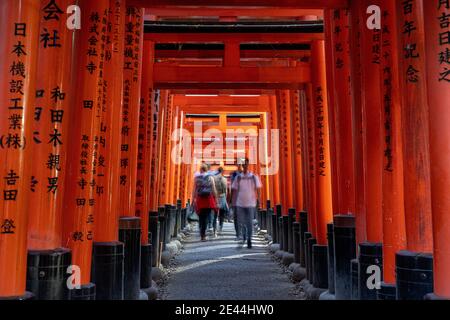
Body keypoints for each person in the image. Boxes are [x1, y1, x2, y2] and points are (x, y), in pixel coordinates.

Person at [231, 158, 262, 249]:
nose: (244, 166)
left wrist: (259, 200)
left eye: (246, 164)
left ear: (248, 165)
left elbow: (258, 189)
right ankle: (244, 236)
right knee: (242, 221)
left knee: (249, 222)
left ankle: (249, 239)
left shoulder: (253, 177)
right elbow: (234, 190)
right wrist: (233, 202)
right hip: (240, 203)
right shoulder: (238, 177)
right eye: (243, 164)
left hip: (250, 202)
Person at [192, 163, 218, 241]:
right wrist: (216, 198)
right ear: (206, 170)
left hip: (200, 199)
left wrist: (193, 199)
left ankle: (202, 233)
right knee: (206, 216)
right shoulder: (210, 178)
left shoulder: (197, 178)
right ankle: (204, 233)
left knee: (200, 216)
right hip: (208, 199)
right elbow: (213, 189)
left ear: (200, 170)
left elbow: (194, 190)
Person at [229, 159, 244, 239]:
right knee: (236, 216)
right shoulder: (234, 174)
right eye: (238, 164)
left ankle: (241, 232)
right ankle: (238, 233)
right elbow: (232, 187)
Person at [213, 167, 228, 234]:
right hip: (222, 196)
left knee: (215, 214)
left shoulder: (214, 178)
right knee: (221, 213)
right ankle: (220, 227)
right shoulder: (224, 179)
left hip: (215, 197)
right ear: (222, 172)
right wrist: (226, 198)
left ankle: (214, 228)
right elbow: (225, 190)